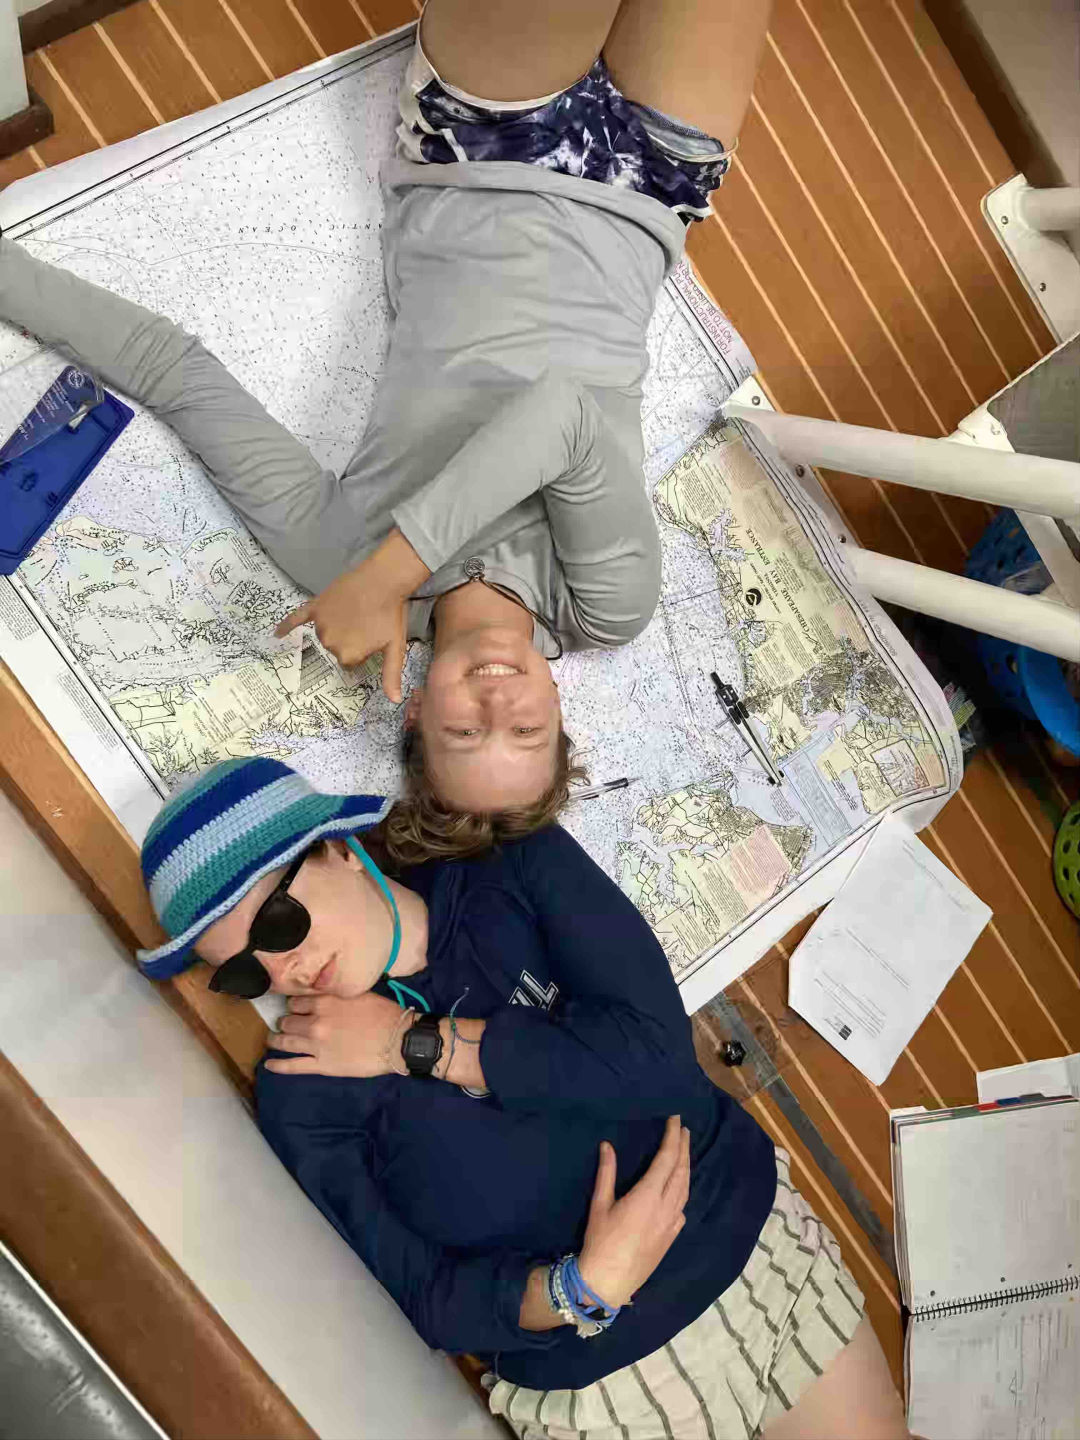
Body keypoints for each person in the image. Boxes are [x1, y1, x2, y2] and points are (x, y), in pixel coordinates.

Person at [0, 0, 771, 857]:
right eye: (526, 732)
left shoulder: (338, 562)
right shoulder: (605, 607)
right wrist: (389, 577)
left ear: (415, 713)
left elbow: (176, 374)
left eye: (465, 734)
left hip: (482, 150)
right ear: (558, 713)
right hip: (657, 187)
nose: (498, 705)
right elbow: (567, 416)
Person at [137, 755, 910, 1440]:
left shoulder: (503, 866)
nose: (283, 972)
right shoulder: (303, 1096)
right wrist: (577, 1289)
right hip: (599, 1386)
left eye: (278, 923)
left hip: (743, 1241)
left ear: (337, 848)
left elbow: (658, 1060)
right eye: (243, 971)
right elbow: (426, 1296)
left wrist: (414, 1043)